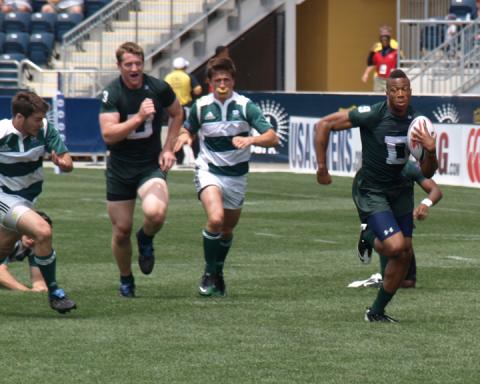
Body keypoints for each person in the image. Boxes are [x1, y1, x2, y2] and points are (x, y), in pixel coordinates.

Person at [314, 69, 438, 322]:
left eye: (404, 89)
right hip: (373, 190)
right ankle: (368, 235)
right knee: (395, 246)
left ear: (411, 92)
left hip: (402, 190)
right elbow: (324, 124)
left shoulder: (419, 122)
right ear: (387, 92)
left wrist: (431, 150)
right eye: (394, 90)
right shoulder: (372, 114)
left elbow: (428, 171)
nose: (400, 94)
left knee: (405, 254)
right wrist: (322, 168)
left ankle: (377, 312)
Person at [174, 57, 279, 297]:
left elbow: (272, 137)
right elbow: (187, 128)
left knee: (228, 229)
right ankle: (209, 272)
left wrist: (251, 139)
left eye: (227, 79)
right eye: (218, 79)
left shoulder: (245, 106)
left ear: (233, 81)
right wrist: (183, 137)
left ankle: (218, 272)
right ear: (210, 82)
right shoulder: (202, 106)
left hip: (236, 176)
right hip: (208, 170)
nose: (223, 83)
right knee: (216, 219)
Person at [99, 42, 183, 298]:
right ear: (119, 66)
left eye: (138, 63)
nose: (134, 69)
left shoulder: (158, 87)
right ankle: (126, 278)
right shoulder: (112, 93)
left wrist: (168, 148)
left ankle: (145, 238)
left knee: (155, 213)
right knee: (121, 230)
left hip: (149, 166)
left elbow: (178, 113)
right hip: (120, 168)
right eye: (128, 64)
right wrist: (137, 117)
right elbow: (109, 135)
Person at [0, 91, 76, 314]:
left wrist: (63, 163)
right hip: (4, 197)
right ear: (20, 117)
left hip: (26, 200)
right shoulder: (2, 132)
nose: (41, 122)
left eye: (42, 118)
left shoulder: (44, 130)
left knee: (3, 248)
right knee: (42, 230)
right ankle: (55, 293)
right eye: (37, 118)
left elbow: (68, 162)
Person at [355, 160, 443, 289]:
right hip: (381, 212)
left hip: (401, 212)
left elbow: (436, 190)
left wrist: (425, 204)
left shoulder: (408, 168)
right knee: (390, 278)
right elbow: (361, 196)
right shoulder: (371, 170)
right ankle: (368, 234)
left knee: (407, 283)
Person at [0, 211, 52, 292]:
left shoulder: (36, 246)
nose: (33, 239)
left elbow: (39, 282)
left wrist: (40, 288)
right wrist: (25, 290)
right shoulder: (7, 239)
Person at [164, 56, 202, 166]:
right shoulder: (187, 76)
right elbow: (198, 90)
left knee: (174, 132)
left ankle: (179, 158)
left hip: (172, 108)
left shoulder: (168, 77)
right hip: (185, 107)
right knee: (191, 131)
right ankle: (197, 155)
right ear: (184, 66)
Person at [361, 25, 398, 92]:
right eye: (382, 32)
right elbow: (371, 63)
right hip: (379, 77)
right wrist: (366, 73)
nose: (384, 34)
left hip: (390, 78)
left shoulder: (395, 45)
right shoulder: (377, 46)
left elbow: (400, 62)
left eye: (386, 32)